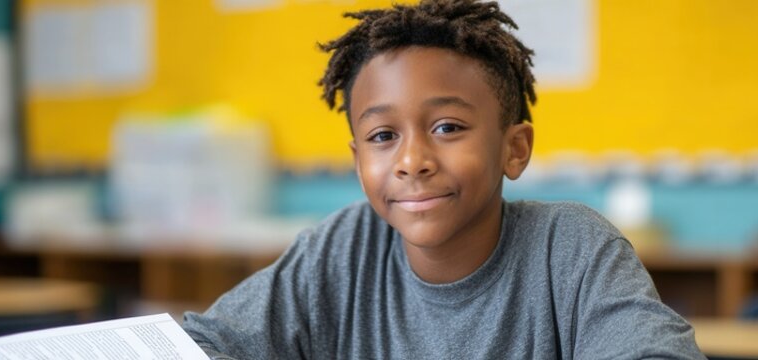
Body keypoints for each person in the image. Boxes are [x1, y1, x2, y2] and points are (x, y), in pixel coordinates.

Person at [182, 0, 703, 358]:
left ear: (514, 148)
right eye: (383, 136)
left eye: (447, 127)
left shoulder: (571, 250)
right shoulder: (342, 249)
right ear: (357, 158)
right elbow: (200, 343)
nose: (412, 160)